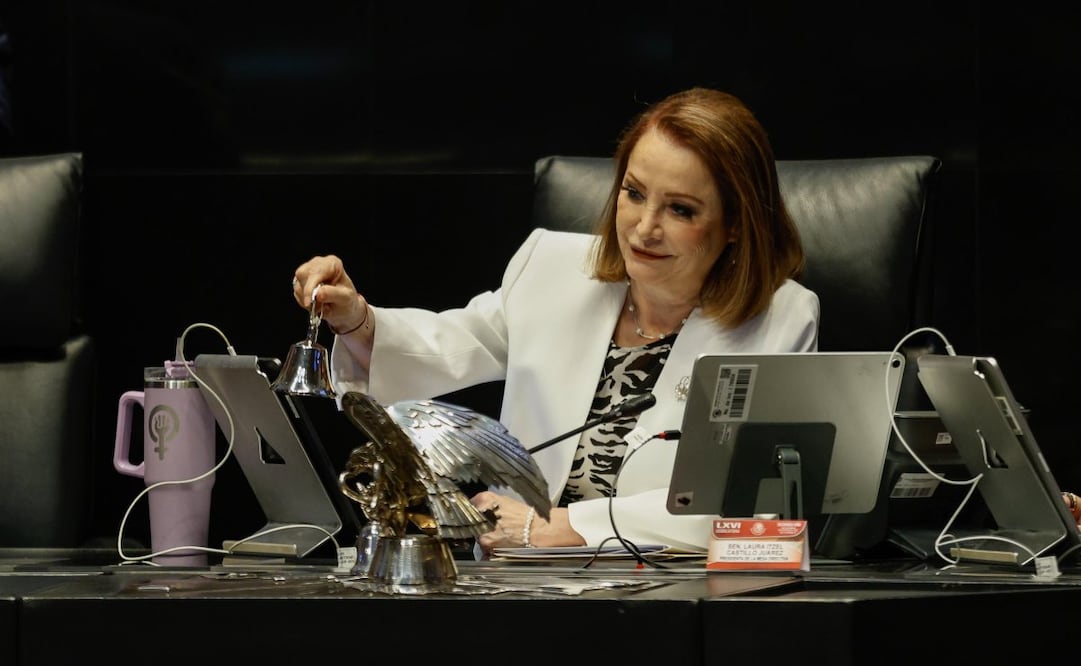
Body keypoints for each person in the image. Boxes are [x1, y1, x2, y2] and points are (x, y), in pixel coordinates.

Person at [290, 87, 820, 554]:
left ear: (734, 224)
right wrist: (357, 320)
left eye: (680, 210)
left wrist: (563, 526)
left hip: (674, 599)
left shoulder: (781, 320)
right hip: (518, 586)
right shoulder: (553, 266)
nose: (644, 227)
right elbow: (452, 345)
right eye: (634, 193)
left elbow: (746, 508)